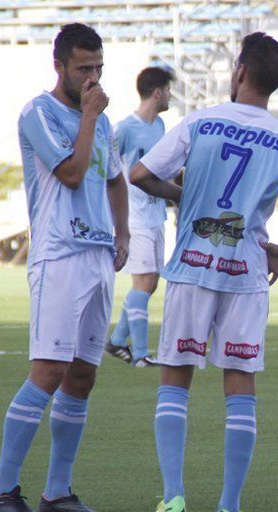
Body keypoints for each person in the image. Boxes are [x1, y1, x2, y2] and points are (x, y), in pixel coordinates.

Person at [128, 32, 278, 512]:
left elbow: (138, 175)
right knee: (240, 390)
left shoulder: (200, 121)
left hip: (191, 268)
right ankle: (228, 508)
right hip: (246, 274)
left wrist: (182, 193)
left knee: (174, 383)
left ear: (239, 72)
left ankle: (173, 498)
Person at [0, 23, 129, 512]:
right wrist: (89, 117)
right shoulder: (38, 113)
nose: (93, 78)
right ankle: (1, 493)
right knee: (48, 371)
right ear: (60, 66)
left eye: (99, 69)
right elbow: (71, 171)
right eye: (84, 68)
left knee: (83, 376)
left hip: (98, 257)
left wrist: (123, 234)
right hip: (58, 255)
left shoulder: (104, 123)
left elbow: (115, 180)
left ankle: (57, 492)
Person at [105, 66, 177, 368]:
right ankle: (140, 354)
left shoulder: (159, 126)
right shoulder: (124, 129)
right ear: (158, 92)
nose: (171, 96)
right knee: (144, 281)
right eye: (169, 90)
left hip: (155, 214)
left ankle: (118, 341)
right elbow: (107, 167)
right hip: (134, 216)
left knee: (151, 282)